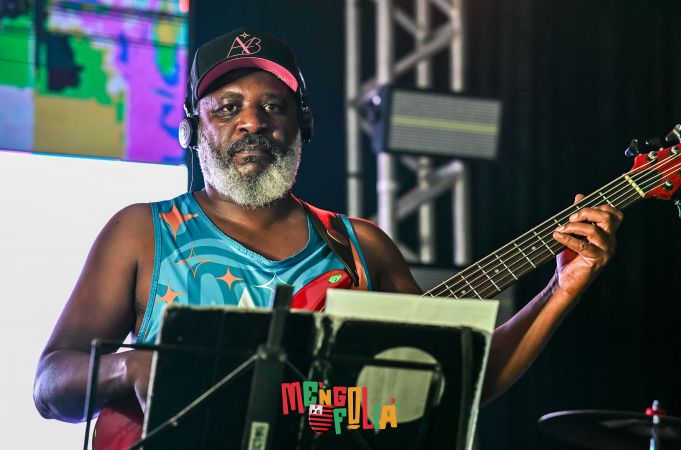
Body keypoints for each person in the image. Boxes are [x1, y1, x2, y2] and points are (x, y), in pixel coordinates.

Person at [33, 28, 623, 423]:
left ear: (302, 125)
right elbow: (50, 385)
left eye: (273, 106)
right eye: (227, 107)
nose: (252, 122)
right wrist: (130, 365)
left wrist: (560, 288)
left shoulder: (361, 246)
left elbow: (451, 387)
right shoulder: (142, 231)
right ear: (193, 130)